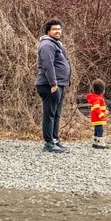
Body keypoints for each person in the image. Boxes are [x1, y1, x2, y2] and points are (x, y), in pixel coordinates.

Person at [35, 19, 71, 153]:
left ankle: (55, 140)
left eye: (59, 29)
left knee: (56, 114)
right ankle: (49, 143)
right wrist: (53, 83)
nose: (58, 31)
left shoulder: (56, 44)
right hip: (49, 85)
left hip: (59, 84)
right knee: (49, 114)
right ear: (48, 31)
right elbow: (47, 65)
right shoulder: (47, 45)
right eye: (55, 29)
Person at [86, 79, 110, 149]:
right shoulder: (98, 99)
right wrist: (101, 114)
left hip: (96, 118)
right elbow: (96, 109)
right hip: (98, 118)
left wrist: (105, 112)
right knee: (100, 130)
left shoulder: (96, 98)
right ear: (103, 90)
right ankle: (100, 142)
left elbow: (99, 108)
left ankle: (96, 142)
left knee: (97, 130)